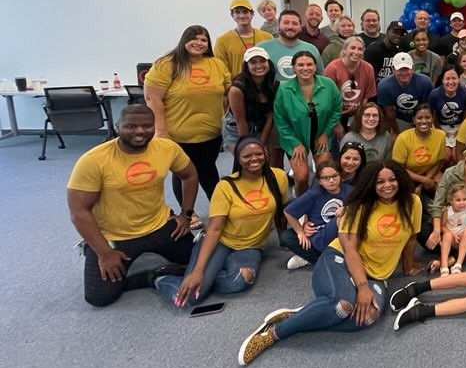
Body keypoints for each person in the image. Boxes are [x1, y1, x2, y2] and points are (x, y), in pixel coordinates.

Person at [238, 160, 422, 366]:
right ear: (371, 184)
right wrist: (362, 288)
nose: (387, 185)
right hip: (339, 260)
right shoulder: (357, 207)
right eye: (380, 182)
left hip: (377, 274)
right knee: (341, 305)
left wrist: (408, 267)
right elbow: (350, 249)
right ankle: (273, 333)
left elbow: (411, 238)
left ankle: (305, 314)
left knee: (368, 317)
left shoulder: (412, 202)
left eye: (392, 179)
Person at [67, 104, 199, 307]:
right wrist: (104, 253)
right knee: (99, 298)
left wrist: (186, 215)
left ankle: (153, 270)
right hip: (114, 237)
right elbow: (79, 212)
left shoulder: (167, 148)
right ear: (117, 126)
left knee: (199, 263)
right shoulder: (93, 160)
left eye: (147, 126)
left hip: (160, 225)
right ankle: (102, 254)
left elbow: (189, 175)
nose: (140, 131)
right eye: (131, 126)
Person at [155, 137, 289, 308]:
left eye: (258, 154)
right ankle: (160, 279)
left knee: (239, 282)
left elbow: (280, 210)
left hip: (250, 247)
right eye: (247, 156)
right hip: (220, 243)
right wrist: (198, 272)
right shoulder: (225, 186)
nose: (254, 159)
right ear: (238, 159)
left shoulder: (278, 177)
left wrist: (282, 236)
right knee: (192, 297)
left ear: (265, 154)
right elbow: (214, 230)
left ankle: (198, 276)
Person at [144, 24, 231, 206]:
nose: (199, 43)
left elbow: (227, 92)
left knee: (208, 169)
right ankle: (188, 214)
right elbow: (152, 98)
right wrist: (161, 131)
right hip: (178, 136)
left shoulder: (216, 64)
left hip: (211, 134)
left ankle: (218, 210)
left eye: (203, 40)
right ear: (184, 40)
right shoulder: (166, 64)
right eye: (194, 38)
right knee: (183, 173)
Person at [273, 50, 342, 195]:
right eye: (300, 65)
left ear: (315, 66)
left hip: (321, 135)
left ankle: (321, 202)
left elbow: (336, 110)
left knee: (325, 173)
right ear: (294, 68)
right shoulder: (284, 90)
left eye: (309, 64)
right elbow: (281, 120)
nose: (305, 68)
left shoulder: (328, 85)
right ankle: (300, 198)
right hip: (295, 138)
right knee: (302, 177)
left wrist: (325, 133)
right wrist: (295, 143)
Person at [280, 159, 353, 270]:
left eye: (335, 176)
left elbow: (364, 206)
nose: (331, 180)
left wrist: (348, 209)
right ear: (319, 181)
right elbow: (288, 212)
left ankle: (313, 258)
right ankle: (323, 259)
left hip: (341, 236)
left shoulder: (350, 191)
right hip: (319, 236)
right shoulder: (314, 194)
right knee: (286, 237)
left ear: (341, 176)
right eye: (326, 178)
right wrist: (300, 232)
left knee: (345, 217)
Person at [224, 46, 278, 155]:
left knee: (264, 158)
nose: (259, 65)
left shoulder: (274, 85)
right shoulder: (237, 89)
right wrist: (249, 148)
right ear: (246, 66)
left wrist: (262, 143)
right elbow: (240, 121)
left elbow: (271, 116)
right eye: (253, 62)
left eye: (263, 61)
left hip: (260, 125)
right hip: (237, 128)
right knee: (247, 159)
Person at [323, 36, 376, 140]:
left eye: (360, 49)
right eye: (352, 48)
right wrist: (336, 124)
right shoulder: (332, 68)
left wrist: (360, 118)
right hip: (335, 115)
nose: (356, 52)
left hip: (357, 114)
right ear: (344, 50)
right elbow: (327, 100)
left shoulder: (368, 68)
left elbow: (366, 97)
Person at [392, 103, 445, 196]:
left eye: (427, 117)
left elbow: (439, 162)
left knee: (443, 187)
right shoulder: (403, 138)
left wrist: (424, 183)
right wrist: (423, 180)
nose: (424, 121)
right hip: (407, 176)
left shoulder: (441, 135)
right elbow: (398, 168)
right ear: (413, 120)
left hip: (430, 173)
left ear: (432, 119)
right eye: (419, 118)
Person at [213, 0, 272, 78]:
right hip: (238, 87)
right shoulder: (222, 41)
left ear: (252, 14)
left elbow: (272, 64)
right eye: (237, 12)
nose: (242, 16)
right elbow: (221, 71)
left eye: (245, 12)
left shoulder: (267, 37)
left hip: (265, 86)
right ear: (232, 15)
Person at [377, 52, 434, 135]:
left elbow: (428, 108)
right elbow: (389, 112)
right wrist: (396, 132)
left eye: (407, 69)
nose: (404, 73)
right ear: (393, 70)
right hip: (400, 119)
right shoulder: (384, 86)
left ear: (413, 68)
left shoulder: (425, 82)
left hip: (422, 116)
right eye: (400, 69)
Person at [261, 10, 324, 82]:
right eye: (286, 23)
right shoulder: (263, 49)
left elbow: (320, 78)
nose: (290, 27)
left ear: (301, 27)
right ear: (278, 26)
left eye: (295, 23)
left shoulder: (311, 49)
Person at [429, 67, 466, 163]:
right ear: (442, 80)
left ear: (459, 79)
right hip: (440, 127)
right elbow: (433, 116)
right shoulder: (434, 94)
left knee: (455, 156)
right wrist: (441, 132)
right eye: (447, 79)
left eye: (454, 78)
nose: (451, 82)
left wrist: (460, 131)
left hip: (460, 126)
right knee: (445, 157)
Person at [437, 182, 466, 275]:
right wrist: (453, 235)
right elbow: (442, 226)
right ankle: (444, 266)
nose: (462, 203)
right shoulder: (447, 211)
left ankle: (458, 264)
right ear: (451, 200)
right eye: (458, 200)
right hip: (452, 240)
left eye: (464, 199)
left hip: (464, 240)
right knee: (447, 235)